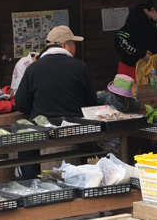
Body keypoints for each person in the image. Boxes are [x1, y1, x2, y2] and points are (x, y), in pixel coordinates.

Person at [14, 26, 97, 180]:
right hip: (76, 129)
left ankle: (32, 185)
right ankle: (89, 180)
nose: (75, 48)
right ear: (65, 44)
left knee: (27, 150)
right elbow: (91, 103)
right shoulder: (80, 67)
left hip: (43, 130)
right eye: (73, 44)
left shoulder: (33, 69)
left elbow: (20, 104)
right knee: (90, 145)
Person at [114, 0, 157, 78]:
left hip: (148, 67)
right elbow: (120, 39)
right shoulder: (135, 19)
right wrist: (141, 53)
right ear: (153, 9)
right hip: (131, 68)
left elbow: (155, 38)